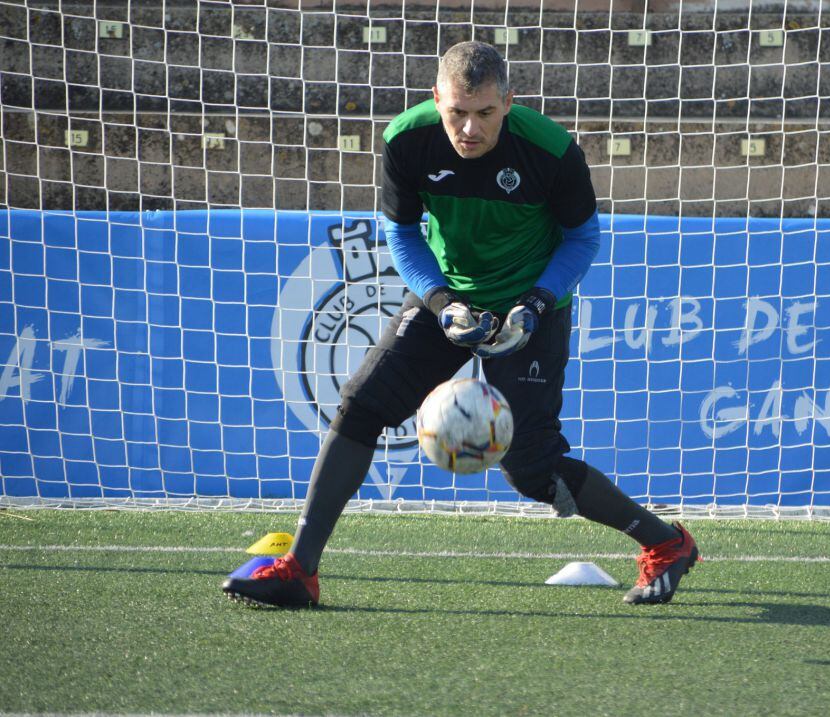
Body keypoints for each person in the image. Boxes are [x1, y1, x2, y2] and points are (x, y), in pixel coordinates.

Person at [222, 41, 698, 608]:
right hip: (450, 298)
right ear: (436, 101)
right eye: (457, 113)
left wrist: (538, 302)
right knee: (361, 405)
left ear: (509, 103)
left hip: (531, 305)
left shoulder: (550, 151)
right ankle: (300, 569)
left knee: (532, 467)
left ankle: (665, 543)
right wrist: (442, 302)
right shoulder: (406, 138)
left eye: (486, 114)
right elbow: (401, 233)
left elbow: (583, 238)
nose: (469, 129)